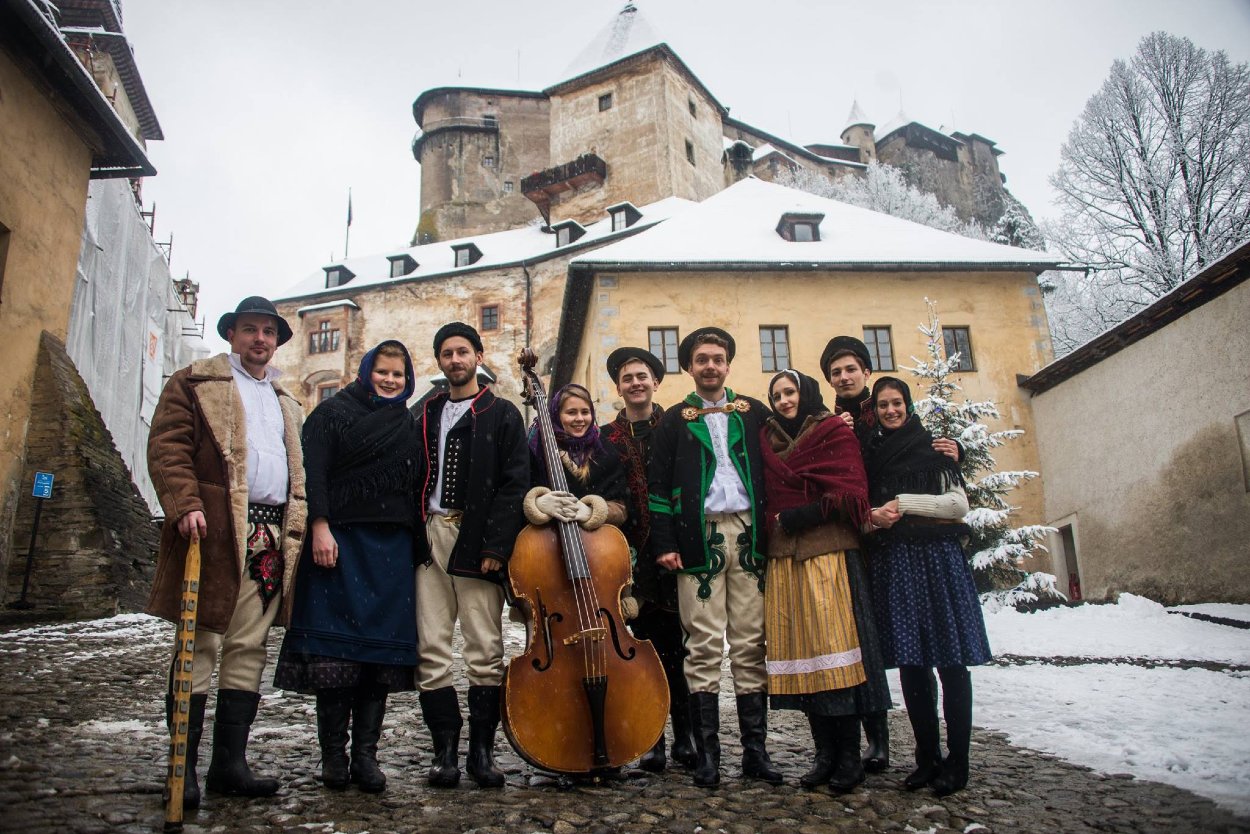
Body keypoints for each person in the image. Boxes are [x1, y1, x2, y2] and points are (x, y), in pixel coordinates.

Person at [147, 296, 307, 808]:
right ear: (232, 335)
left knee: (248, 648)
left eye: (268, 331)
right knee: (200, 644)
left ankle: (229, 764)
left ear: (278, 340)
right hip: (212, 532)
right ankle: (182, 766)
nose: (259, 339)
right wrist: (186, 505)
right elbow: (168, 446)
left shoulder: (288, 400)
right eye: (249, 329)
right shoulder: (193, 383)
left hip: (269, 538)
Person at [272, 340, 420, 794]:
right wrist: (320, 526)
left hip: (391, 549)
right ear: (366, 372)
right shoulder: (330, 416)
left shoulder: (407, 422)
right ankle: (333, 757)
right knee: (337, 657)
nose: (391, 380)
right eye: (383, 372)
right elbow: (313, 476)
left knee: (377, 656)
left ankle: (365, 758)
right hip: (339, 542)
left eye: (398, 374)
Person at [818, 334, 960, 772]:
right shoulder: (828, 420)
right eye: (836, 372)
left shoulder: (884, 417)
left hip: (899, 540)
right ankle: (872, 740)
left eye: (850, 369)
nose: (844, 377)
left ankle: (881, 740)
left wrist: (956, 453)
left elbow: (925, 459)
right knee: (861, 638)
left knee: (882, 642)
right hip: (856, 535)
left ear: (865, 371)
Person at [648, 327, 782, 788]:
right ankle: (708, 756)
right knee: (702, 647)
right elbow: (659, 488)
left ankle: (755, 753)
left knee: (750, 644)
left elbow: (796, 440)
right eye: (701, 358)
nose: (710, 365)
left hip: (748, 535)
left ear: (728, 364)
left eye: (718, 358)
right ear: (689, 366)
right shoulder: (673, 421)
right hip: (697, 541)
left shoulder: (753, 413)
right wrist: (665, 543)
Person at [760, 369, 892, 792]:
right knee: (805, 657)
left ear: (807, 393)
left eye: (790, 392)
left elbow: (852, 492)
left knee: (836, 657)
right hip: (785, 557)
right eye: (777, 395)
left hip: (830, 553)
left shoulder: (834, 431)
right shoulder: (767, 440)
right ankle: (824, 754)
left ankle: (849, 756)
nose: (783, 400)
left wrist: (802, 515)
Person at [862, 376, 992, 796]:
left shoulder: (936, 447)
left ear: (908, 405)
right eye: (883, 405)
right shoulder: (875, 454)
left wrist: (903, 505)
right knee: (912, 665)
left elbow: (957, 504)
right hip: (897, 563)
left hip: (937, 561)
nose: (891, 410)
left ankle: (959, 760)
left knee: (951, 663)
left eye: (897, 403)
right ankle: (927, 758)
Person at [414, 322, 529, 789]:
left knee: (485, 647)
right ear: (439, 361)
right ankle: (445, 751)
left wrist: (497, 547)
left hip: (478, 537)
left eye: (463, 351)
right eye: (447, 353)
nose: (455, 360)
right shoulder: (423, 412)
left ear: (478, 357)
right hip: (429, 537)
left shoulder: (502, 415)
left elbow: (514, 483)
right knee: (430, 647)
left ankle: (482, 753)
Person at [600, 348, 696, 773]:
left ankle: (687, 736)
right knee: (644, 652)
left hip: (673, 549)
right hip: (628, 557)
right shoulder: (606, 438)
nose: (635, 383)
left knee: (681, 648)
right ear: (618, 387)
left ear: (656, 382)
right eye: (627, 378)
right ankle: (652, 736)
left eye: (642, 376)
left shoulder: (676, 425)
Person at [523, 382, 628, 529]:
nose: (579, 418)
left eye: (585, 412)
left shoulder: (604, 448)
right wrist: (536, 503)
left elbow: (622, 507)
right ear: (556, 414)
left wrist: (592, 511)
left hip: (596, 544)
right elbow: (517, 493)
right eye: (571, 412)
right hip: (546, 540)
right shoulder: (536, 446)